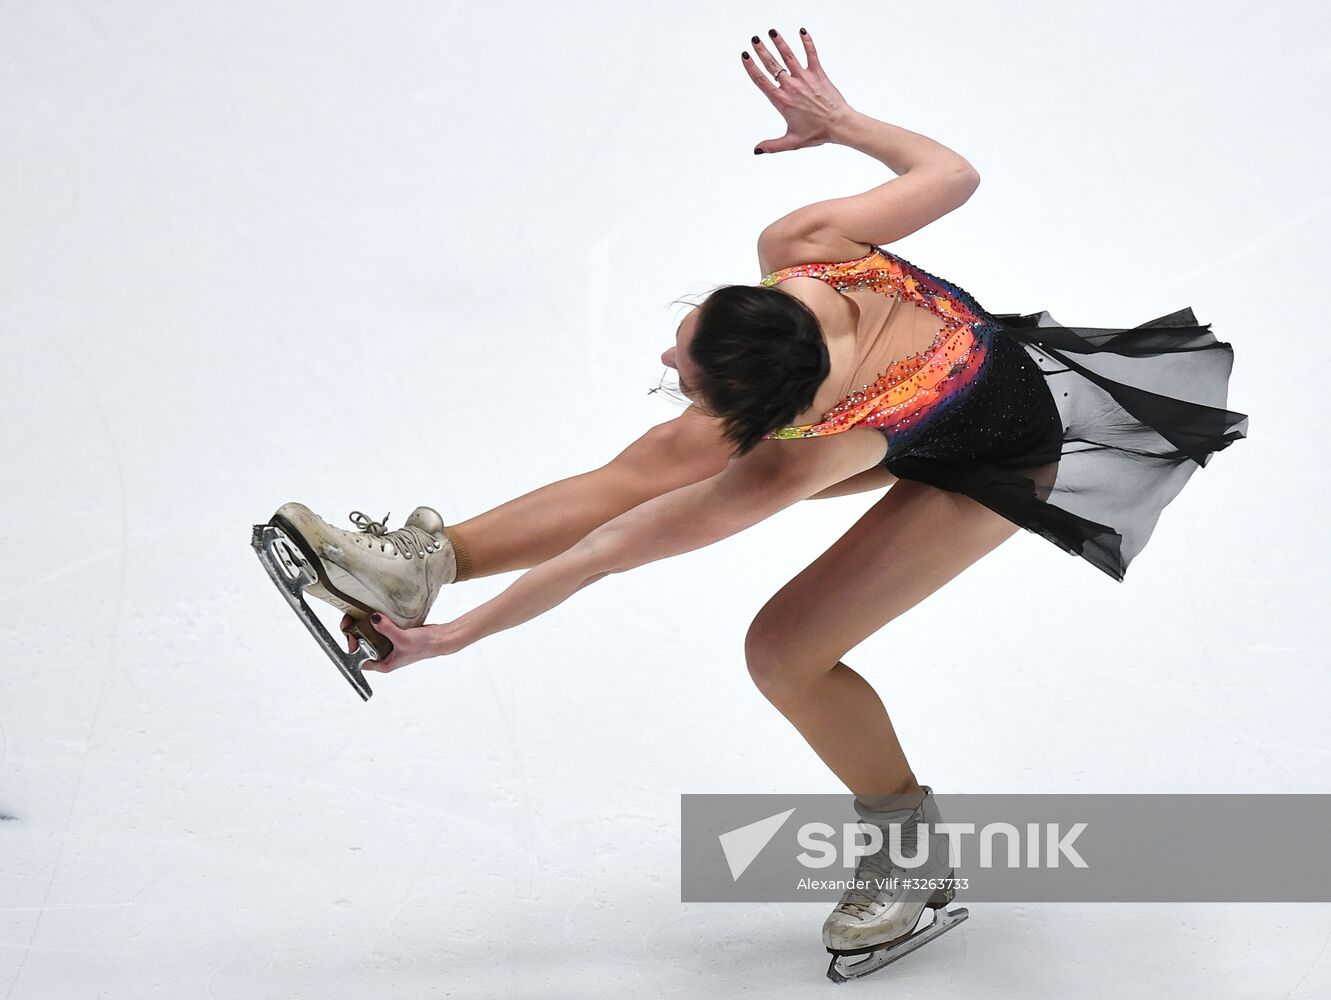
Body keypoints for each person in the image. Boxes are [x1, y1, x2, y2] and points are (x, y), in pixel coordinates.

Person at [256, 25, 1249, 979]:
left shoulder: (791, 461)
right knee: (661, 448)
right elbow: (953, 174)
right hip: (913, 401)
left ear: (770, 419)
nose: (662, 356)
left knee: (782, 651)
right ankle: (419, 565)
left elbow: (606, 548)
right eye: (685, 339)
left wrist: (458, 641)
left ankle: (908, 846)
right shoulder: (806, 240)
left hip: (995, 455)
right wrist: (842, 119)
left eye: (679, 367)